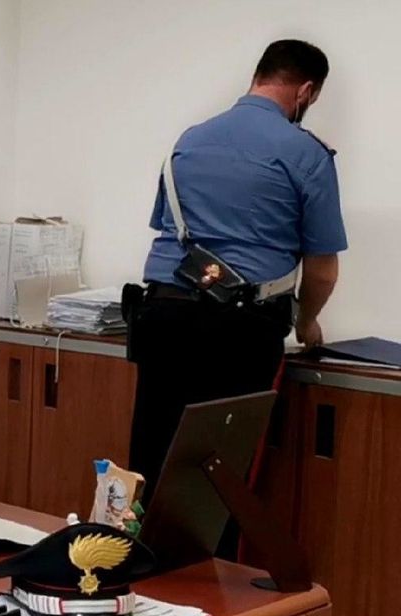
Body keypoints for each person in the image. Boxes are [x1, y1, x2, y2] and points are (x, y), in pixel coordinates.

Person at [126, 39, 347, 507]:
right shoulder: (306, 154)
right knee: (218, 477)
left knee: (152, 459)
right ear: (305, 91)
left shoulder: (190, 139)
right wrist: (307, 322)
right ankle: (206, 579)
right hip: (239, 330)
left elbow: (166, 227)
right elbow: (323, 269)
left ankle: (138, 570)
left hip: (161, 316)